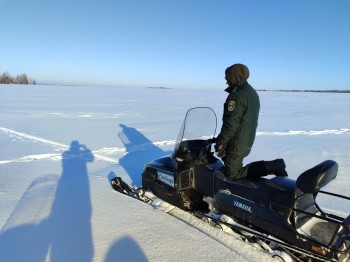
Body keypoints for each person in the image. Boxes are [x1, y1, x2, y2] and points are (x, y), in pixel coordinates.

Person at [215, 63, 287, 180]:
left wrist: (221, 142)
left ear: (234, 77)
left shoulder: (237, 95)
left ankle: (273, 166)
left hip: (236, 142)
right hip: (245, 138)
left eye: (227, 77)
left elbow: (231, 124)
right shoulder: (250, 91)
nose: (226, 80)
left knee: (232, 174)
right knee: (231, 167)